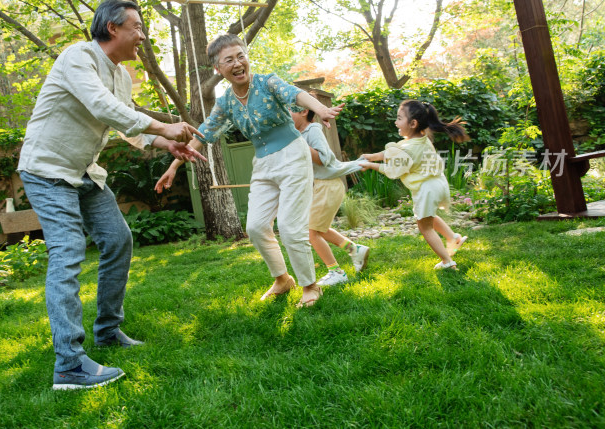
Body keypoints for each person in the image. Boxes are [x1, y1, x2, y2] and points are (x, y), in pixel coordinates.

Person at [18, 0, 206, 390]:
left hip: (84, 172)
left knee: (118, 240)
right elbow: (102, 107)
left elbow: (126, 124)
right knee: (68, 254)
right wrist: (162, 126)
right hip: (47, 170)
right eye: (136, 27)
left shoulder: (121, 77)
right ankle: (69, 364)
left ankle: (107, 331)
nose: (142, 35)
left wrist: (165, 145)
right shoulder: (77, 57)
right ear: (112, 28)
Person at [154, 34, 344, 308]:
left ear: (247, 57)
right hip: (264, 163)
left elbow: (296, 94)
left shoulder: (267, 82)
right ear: (218, 70)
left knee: (290, 227)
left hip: (292, 155)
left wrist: (320, 108)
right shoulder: (226, 102)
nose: (237, 63)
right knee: (255, 227)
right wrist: (174, 165)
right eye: (228, 60)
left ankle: (310, 286)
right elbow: (204, 133)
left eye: (240, 55)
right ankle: (282, 279)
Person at [358, 100, 469, 270]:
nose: (396, 122)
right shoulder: (421, 139)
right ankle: (453, 237)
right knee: (427, 216)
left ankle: (448, 262)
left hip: (426, 189)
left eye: (399, 118)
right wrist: (372, 157)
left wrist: (370, 165)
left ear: (413, 123)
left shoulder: (409, 148)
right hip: (438, 183)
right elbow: (391, 153)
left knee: (424, 226)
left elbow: (392, 170)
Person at [289, 105, 369, 286]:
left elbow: (324, 159)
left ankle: (336, 272)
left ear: (303, 112)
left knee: (311, 232)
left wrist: (300, 144)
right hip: (321, 186)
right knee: (319, 228)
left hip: (327, 186)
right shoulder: (300, 134)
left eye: (289, 110)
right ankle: (355, 249)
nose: (286, 114)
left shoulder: (313, 130)